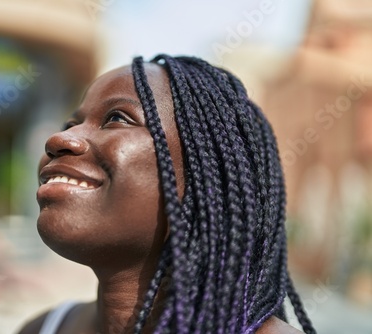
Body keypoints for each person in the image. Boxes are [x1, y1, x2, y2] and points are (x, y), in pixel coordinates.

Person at [18, 55, 316, 334]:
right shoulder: (44, 328)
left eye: (117, 118)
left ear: (204, 179)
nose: (60, 139)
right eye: (71, 124)